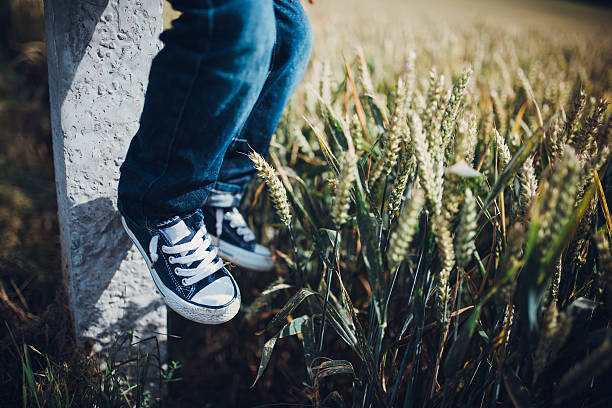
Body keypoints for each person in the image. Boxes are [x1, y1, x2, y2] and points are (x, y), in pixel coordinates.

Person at [117, 0, 314, 325]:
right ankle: (159, 202)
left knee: (292, 35)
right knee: (239, 19)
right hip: (154, 196)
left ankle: (219, 190)